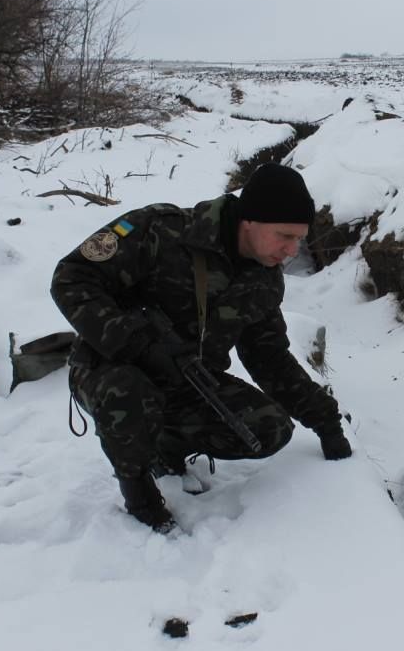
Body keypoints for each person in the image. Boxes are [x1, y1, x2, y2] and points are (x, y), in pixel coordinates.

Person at [50, 163, 352, 533]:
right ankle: (139, 489)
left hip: (186, 381)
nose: (290, 251)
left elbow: (270, 359)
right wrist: (136, 342)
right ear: (250, 221)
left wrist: (326, 421)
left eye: (299, 240)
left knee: (269, 430)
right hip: (109, 369)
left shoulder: (263, 280)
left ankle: (163, 445)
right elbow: (71, 277)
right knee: (127, 391)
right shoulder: (161, 231)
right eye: (284, 236)